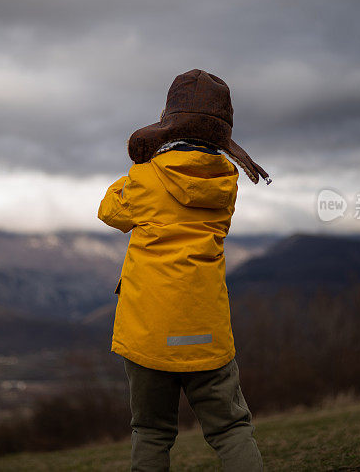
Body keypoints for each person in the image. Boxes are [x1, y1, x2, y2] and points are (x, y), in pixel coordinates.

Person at [97, 69, 270, 471]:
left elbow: (108, 210)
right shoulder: (226, 182)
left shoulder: (144, 179)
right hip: (206, 332)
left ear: (168, 119)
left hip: (149, 333)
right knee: (231, 429)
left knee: (152, 432)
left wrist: (142, 162)